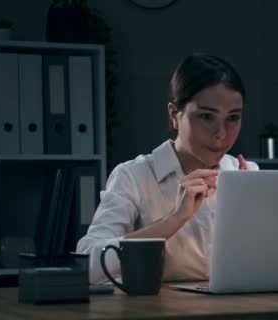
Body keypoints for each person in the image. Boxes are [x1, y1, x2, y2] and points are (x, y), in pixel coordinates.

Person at [77, 53, 258, 284]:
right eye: (206, 116)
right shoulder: (134, 175)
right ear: (174, 114)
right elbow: (87, 263)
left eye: (233, 118)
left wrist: (251, 217)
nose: (221, 133)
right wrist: (174, 219)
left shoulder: (246, 174)